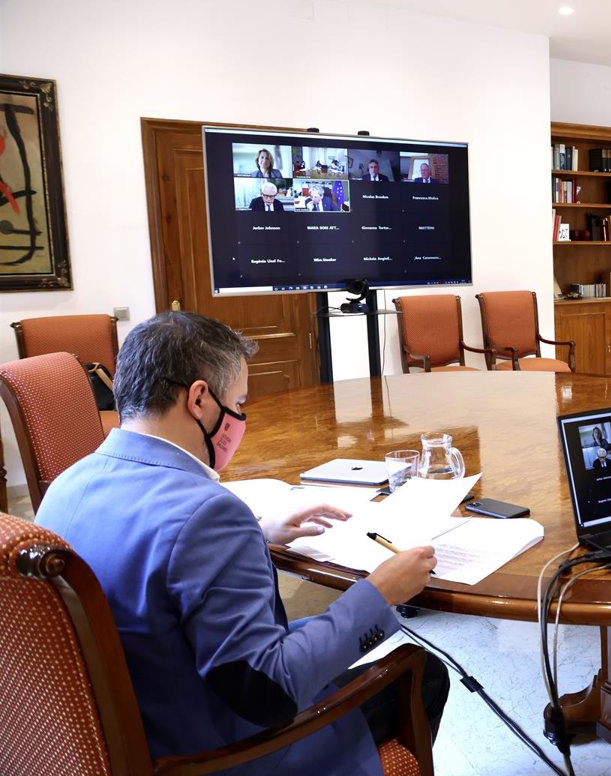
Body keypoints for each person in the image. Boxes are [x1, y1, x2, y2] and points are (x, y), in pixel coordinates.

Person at [36, 311, 450, 775]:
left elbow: (154, 565)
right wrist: (380, 592)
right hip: (214, 752)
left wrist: (257, 533)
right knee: (424, 673)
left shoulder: (65, 485)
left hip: (122, 735)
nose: (239, 418)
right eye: (238, 403)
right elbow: (269, 690)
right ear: (199, 399)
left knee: (327, 632)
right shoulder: (208, 513)